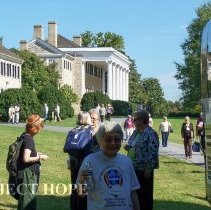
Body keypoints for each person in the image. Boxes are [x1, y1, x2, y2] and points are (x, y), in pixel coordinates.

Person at [77, 122, 140, 210]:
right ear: (100, 141)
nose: (113, 143)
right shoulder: (90, 161)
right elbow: (81, 193)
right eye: (108, 140)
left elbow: (133, 192)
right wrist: (81, 181)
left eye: (117, 139)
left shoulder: (127, 161)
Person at [124, 110, 159, 210]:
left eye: (135, 120)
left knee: (144, 195)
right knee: (134, 193)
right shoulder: (136, 132)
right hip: (132, 167)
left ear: (143, 120)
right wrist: (129, 147)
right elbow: (131, 143)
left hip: (143, 170)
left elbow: (153, 152)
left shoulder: (150, 133)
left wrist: (148, 169)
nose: (133, 121)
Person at [17, 114, 48, 210]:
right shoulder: (29, 139)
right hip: (28, 175)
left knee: (23, 200)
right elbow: (26, 158)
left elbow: (25, 152)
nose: (41, 128)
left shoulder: (24, 136)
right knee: (28, 202)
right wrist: (39, 156)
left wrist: (35, 153)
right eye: (40, 126)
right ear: (36, 128)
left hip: (23, 173)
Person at [68, 111, 92, 210]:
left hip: (73, 161)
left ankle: (74, 206)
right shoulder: (89, 131)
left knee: (74, 186)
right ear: (87, 119)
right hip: (84, 162)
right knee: (83, 187)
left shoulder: (73, 130)